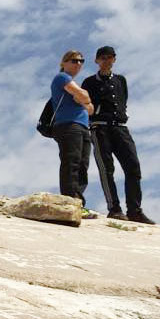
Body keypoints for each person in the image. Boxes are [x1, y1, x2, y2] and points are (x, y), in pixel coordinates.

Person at [81, 46, 155, 224]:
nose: (107, 60)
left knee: (133, 167)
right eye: (103, 57)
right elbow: (84, 104)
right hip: (100, 128)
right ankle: (114, 209)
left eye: (110, 57)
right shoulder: (89, 82)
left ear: (114, 59)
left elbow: (124, 100)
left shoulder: (121, 80)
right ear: (97, 60)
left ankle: (135, 210)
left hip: (121, 128)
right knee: (107, 170)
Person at [51, 50, 97, 219]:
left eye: (81, 61)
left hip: (83, 127)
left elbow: (91, 108)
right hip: (68, 125)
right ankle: (71, 203)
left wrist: (84, 99)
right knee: (72, 162)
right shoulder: (61, 78)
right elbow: (84, 97)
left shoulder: (72, 83)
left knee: (82, 164)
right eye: (74, 60)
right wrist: (84, 98)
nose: (78, 64)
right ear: (64, 63)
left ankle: (78, 203)